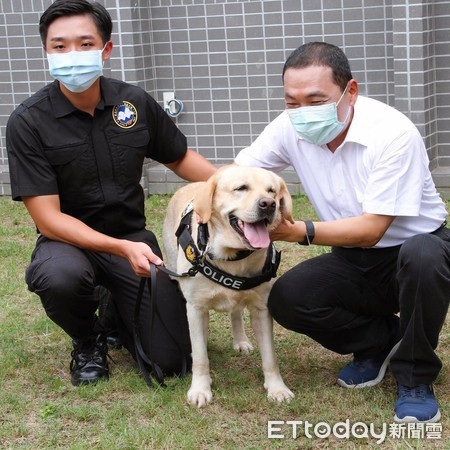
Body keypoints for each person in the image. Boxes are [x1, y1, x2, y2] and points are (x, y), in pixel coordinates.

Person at [235, 41, 449, 423]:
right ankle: (381, 342)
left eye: (315, 100)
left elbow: (372, 229)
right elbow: (237, 173)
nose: (302, 113)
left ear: (351, 91)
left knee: (423, 255)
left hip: (414, 253)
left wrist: (299, 231)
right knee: (288, 297)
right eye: (292, 101)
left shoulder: (393, 133)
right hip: (352, 256)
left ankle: (415, 375)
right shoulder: (289, 126)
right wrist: (205, 203)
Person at [6, 0, 216, 387]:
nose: (73, 55)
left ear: (106, 49)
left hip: (132, 238)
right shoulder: (28, 121)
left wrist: (238, 188)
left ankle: (116, 306)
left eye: (85, 44)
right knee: (60, 277)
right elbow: (48, 219)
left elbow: (183, 160)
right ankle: (88, 339)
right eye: (60, 46)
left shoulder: (132, 102)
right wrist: (120, 250)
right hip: (67, 242)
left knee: (170, 361)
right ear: (46, 52)